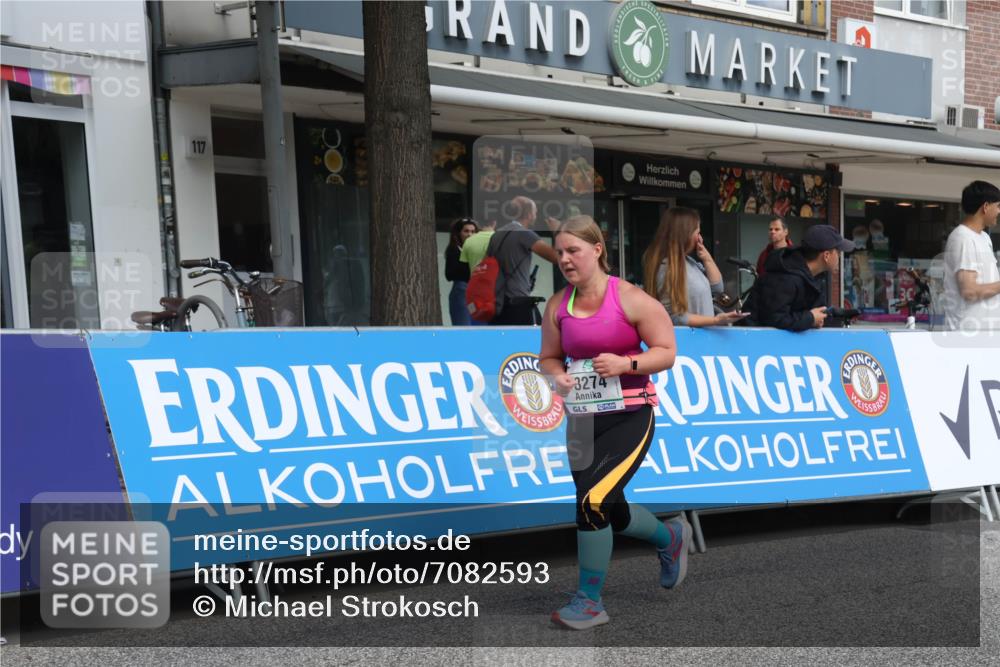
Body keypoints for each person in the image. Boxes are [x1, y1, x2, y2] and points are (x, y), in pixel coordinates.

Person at [539, 215, 688, 631]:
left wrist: (627, 363)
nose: (565, 259)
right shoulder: (557, 305)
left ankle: (589, 600)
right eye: (560, 252)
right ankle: (669, 538)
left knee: (590, 501)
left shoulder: (630, 299)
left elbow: (667, 351)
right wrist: (556, 375)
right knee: (605, 505)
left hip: (629, 416)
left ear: (597, 250)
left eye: (574, 251)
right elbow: (549, 356)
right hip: (582, 422)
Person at [642, 207, 747, 327]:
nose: (699, 238)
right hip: (689, 341)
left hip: (703, 338)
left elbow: (717, 288)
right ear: (685, 235)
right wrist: (715, 321)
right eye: (697, 233)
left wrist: (707, 258)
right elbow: (673, 317)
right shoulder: (665, 268)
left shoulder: (689, 262)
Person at [751, 225, 855, 331]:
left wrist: (830, 318)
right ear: (826, 256)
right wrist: (810, 318)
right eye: (838, 252)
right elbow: (773, 319)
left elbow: (808, 314)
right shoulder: (786, 278)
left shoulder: (815, 277)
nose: (839, 257)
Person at [488, 196, 558, 325]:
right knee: (537, 339)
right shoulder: (524, 234)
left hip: (497, 302)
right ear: (529, 214)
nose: (536, 215)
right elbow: (556, 257)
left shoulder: (496, 234)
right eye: (535, 211)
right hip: (518, 302)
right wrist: (557, 231)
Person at [941, 180, 1000, 331]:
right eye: (998, 206)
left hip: (986, 334)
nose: (999, 211)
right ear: (985, 207)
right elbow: (969, 291)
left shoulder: (984, 238)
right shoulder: (963, 238)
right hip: (967, 336)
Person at [444, 218, 478, 326]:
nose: (470, 234)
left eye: (473, 231)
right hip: (462, 291)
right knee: (464, 326)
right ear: (459, 233)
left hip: (476, 293)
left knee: (476, 328)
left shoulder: (476, 250)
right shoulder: (455, 250)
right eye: (466, 231)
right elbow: (449, 275)